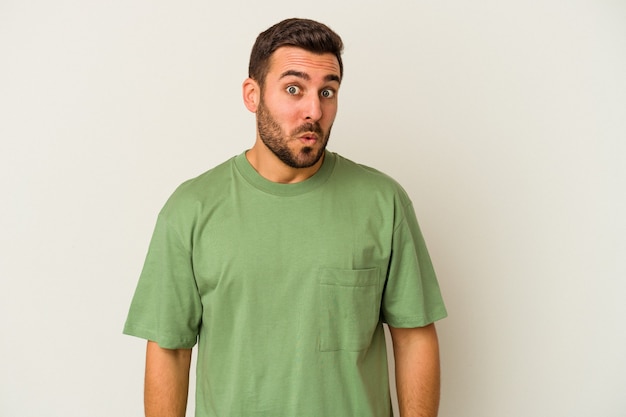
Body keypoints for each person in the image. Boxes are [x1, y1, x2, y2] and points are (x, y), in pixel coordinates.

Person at [124, 17, 447, 417]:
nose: (314, 109)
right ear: (252, 94)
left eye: (327, 91)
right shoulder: (191, 209)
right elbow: (169, 349)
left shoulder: (383, 202)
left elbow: (414, 336)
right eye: (294, 89)